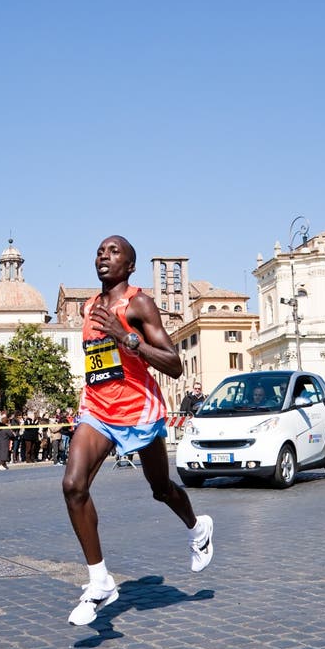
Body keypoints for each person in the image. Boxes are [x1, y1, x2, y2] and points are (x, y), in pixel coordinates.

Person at [62, 235, 213, 626]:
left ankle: (198, 529)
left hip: (139, 410)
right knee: (73, 486)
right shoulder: (89, 307)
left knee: (160, 488)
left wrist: (126, 337)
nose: (104, 256)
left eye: (114, 252)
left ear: (129, 266)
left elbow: (174, 364)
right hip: (97, 407)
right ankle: (100, 581)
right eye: (99, 251)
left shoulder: (139, 304)